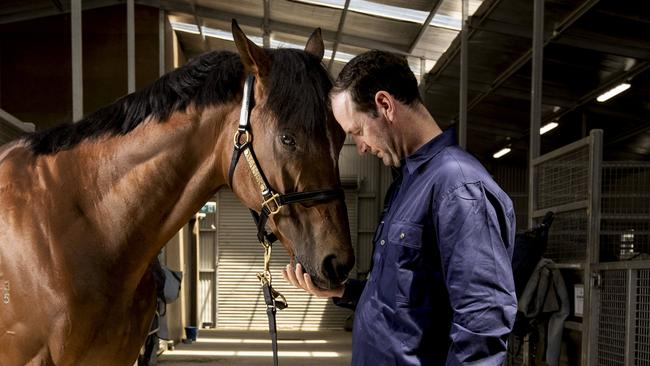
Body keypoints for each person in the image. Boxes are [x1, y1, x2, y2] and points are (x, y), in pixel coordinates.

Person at [282, 50, 517, 365]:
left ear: (384, 105)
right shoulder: (408, 183)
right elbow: (407, 295)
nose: (362, 147)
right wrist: (342, 292)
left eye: (357, 131)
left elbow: (483, 320)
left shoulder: (458, 187)